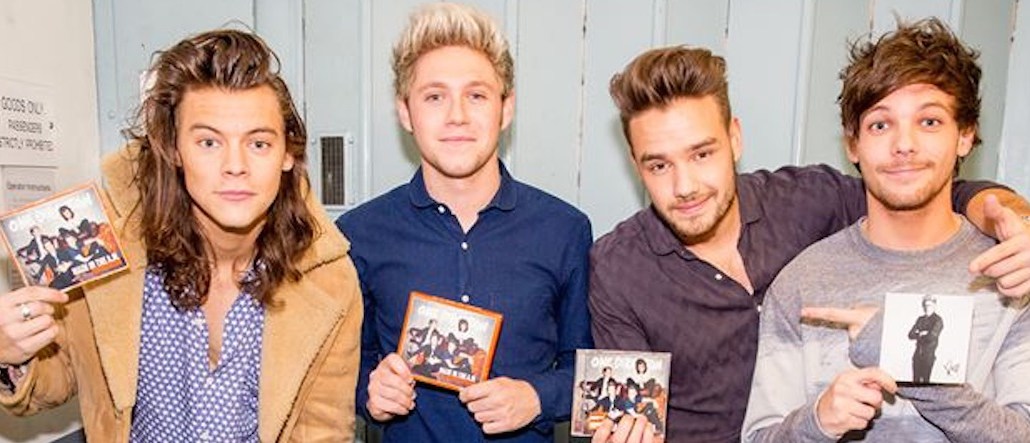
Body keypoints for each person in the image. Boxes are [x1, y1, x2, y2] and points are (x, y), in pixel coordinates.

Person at [589, 41, 1030, 443]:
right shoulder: (618, 268)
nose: (685, 186)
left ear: (735, 139)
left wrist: (1012, 220)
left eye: (702, 154)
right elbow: (627, 410)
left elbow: (917, 185)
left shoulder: (809, 200)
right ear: (635, 164)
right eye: (659, 166)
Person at [0, 29, 362, 441]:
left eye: (259, 143)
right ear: (174, 150)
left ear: (288, 155)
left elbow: (323, 429)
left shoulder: (329, 280)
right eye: (208, 142)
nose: (235, 166)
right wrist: (11, 354)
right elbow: (60, 372)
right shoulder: (107, 246)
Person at [742, 18, 1030, 441]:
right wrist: (816, 422)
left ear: (965, 135)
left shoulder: (1012, 274)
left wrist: (902, 360)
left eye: (929, 122)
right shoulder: (803, 283)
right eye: (880, 124)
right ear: (853, 144)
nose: (904, 145)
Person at [336, 2, 593, 441]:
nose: (457, 115)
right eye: (434, 96)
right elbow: (341, 368)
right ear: (405, 112)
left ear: (505, 109)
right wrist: (369, 392)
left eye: (476, 95)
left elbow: (586, 367)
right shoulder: (359, 234)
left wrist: (537, 397)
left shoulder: (564, 230)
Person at [909, 294, 944, 383]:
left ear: (934, 306)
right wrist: (922, 333)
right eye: (925, 305)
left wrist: (919, 334)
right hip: (917, 356)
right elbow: (910, 335)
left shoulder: (938, 320)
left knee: (925, 382)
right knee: (915, 381)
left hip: (928, 356)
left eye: (929, 305)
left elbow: (931, 337)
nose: (927, 308)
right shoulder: (920, 319)